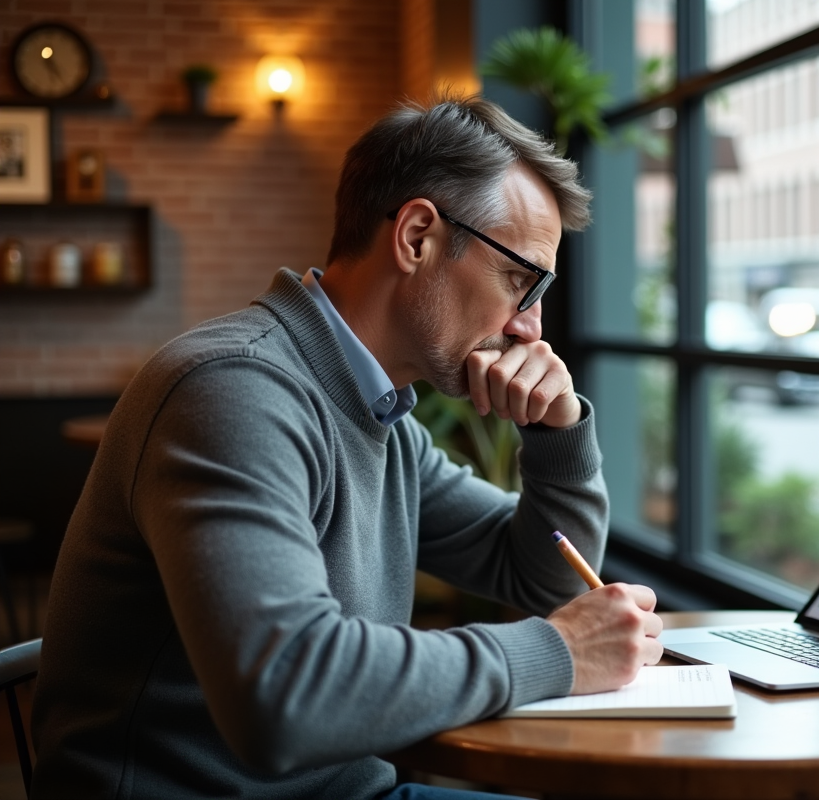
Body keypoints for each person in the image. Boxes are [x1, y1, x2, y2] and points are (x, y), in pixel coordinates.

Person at [30, 94, 664, 800]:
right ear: (418, 236)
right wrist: (560, 651)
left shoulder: (381, 415)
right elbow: (284, 695)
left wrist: (559, 431)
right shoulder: (235, 390)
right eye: (521, 280)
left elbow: (538, 573)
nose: (529, 327)